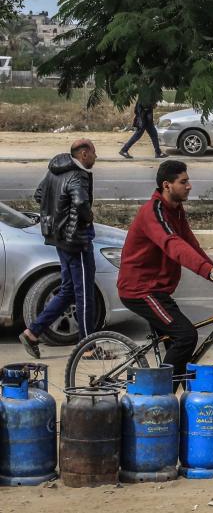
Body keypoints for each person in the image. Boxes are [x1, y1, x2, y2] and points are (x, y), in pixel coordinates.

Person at [117, 160, 213, 380]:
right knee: (186, 336)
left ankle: (172, 399)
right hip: (140, 290)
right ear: (167, 185)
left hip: (158, 290)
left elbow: (191, 246)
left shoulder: (176, 211)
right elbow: (173, 244)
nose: (189, 185)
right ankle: (159, 396)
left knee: (180, 356)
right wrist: (211, 272)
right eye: (183, 182)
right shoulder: (153, 212)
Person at [19, 139, 98, 358]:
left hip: (59, 240)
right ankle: (88, 347)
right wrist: (87, 217)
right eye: (94, 153)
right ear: (84, 154)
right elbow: (81, 203)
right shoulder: (77, 175)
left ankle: (32, 332)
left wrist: (58, 219)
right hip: (76, 241)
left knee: (68, 290)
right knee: (84, 294)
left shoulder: (54, 171)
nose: (96, 157)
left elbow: (39, 195)